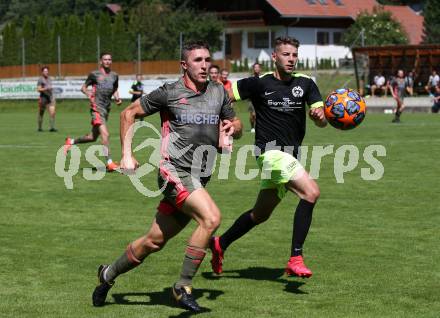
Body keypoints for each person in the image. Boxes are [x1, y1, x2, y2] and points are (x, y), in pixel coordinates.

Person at [91, 41, 242, 312]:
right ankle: (182, 286)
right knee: (211, 218)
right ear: (184, 65)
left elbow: (237, 123)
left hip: (199, 178)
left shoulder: (219, 92)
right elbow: (129, 113)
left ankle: (107, 274)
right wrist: (127, 153)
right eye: (197, 60)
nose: (205, 65)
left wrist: (233, 127)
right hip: (174, 172)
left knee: (153, 241)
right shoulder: (170, 92)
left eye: (207, 59)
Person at [210, 37, 327, 279]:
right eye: (286, 54)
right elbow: (224, 95)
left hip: (291, 155)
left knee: (260, 214)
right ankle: (296, 258)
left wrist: (318, 117)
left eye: (294, 54)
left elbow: (323, 119)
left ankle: (220, 243)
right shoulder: (258, 84)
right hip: (270, 153)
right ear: (275, 57)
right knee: (311, 192)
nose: (291, 59)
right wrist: (225, 120)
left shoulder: (306, 84)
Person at [63, 52, 122, 171]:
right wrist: (88, 93)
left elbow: (115, 88)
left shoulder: (114, 75)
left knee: (92, 137)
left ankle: (71, 141)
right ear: (101, 61)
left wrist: (117, 97)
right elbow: (83, 88)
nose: (107, 61)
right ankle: (109, 163)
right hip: (96, 108)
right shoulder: (94, 74)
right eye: (105, 59)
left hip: (106, 109)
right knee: (105, 135)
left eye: (109, 59)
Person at [36, 66, 57, 132]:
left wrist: (51, 90)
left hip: (50, 98)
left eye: (47, 71)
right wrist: (46, 89)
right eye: (45, 71)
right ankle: (39, 128)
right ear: (42, 72)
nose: (46, 72)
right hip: (43, 98)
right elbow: (38, 89)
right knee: (41, 113)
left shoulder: (50, 78)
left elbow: (50, 87)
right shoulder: (40, 79)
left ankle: (52, 128)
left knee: (53, 113)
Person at [248, 62, 261, 133]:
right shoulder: (250, 78)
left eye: (258, 67)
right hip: (252, 99)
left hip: (261, 100)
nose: (256, 69)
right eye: (255, 67)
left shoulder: (263, 77)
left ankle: (259, 127)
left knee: (260, 115)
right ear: (253, 69)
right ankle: (252, 127)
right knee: (253, 115)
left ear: (260, 69)